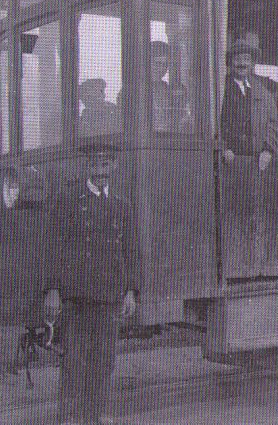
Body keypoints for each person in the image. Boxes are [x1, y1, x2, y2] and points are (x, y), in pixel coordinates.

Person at [44, 142, 139, 425]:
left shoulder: (122, 206)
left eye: (106, 165)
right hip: (76, 296)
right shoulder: (68, 200)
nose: (100, 172)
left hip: (109, 297)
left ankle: (98, 415)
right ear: (87, 167)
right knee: (74, 360)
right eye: (95, 165)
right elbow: (52, 246)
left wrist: (131, 291)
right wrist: (52, 289)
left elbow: (131, 251)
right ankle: (69, 418)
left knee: (104, 360)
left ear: (114, 167)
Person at [219, 35, 278, 169]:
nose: (242, 64)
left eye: (246, 59)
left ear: (252, 63)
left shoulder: (262, 91)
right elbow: (214, 123)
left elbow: (272, 123)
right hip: (228, 160)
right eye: (238, 59)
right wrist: (222, 147)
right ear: (230, 63)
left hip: (256, 161)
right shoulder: (221, 89)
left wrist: (268, 149)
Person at [150, 40, 191, 132]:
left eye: (165, 64)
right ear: (147, 63)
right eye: (157, 63)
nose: (161, 68)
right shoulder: (132, 91)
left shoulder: (169, 91)